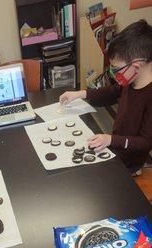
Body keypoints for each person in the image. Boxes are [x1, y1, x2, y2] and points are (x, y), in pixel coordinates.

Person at [59, 19, 152, 174]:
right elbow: (112, 92)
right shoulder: (130, 80)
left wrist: (111, 140)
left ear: (137, 65)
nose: (112, 73)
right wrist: (79, 94)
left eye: (116, 69)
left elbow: (145, 143)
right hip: (116, 146)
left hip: (129, 160)